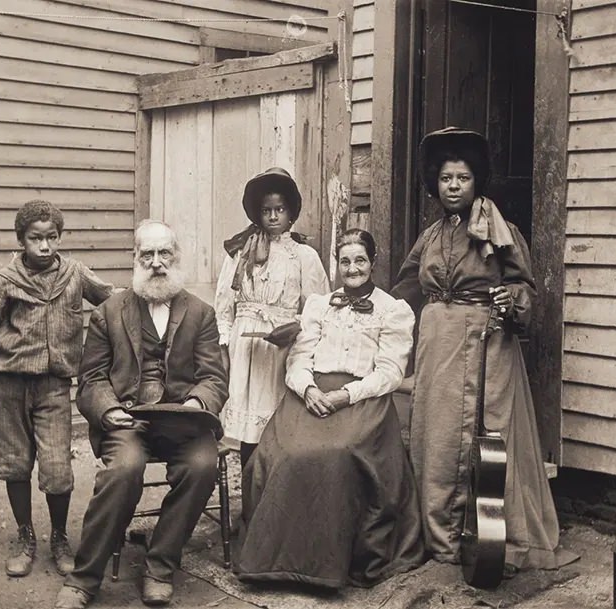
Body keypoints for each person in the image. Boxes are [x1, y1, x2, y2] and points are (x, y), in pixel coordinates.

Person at [391, 127, 573, 574]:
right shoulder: (430, 237)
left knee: (480, 435)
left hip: (485, 341)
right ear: (435, 183)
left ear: (477, 183)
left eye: (463, 178)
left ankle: (480, 535)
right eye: (446, 178)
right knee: (435, 435)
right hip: (437, 345)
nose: (454, 186)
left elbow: (524, 286)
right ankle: (437, 535)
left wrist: (512, 300)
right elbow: (406, 287)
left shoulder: (498, 230)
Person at [235, 228, 425, 589]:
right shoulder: (319, 305)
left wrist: (346, 395)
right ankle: (273, 562)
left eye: (359, 261)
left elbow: (389, 372)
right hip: (311, 392)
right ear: (336, 265)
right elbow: (299, 357)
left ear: (373, 262)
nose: (352, 269)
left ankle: (325, 567)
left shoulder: (393, 310)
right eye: (345, 261)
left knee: (339, 453)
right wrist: (307, 389)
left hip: (362, 399)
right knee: (288, 451)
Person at [54, 220, 228, 609]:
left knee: (202, 466)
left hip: (183, 422)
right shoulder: (109, 313)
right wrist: (110, 410)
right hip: (127, 421)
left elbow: (214, 377)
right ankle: (84, 579)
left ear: (176, 256)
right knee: (123, 470)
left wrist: (198, 403)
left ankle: (160, 566)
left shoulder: (201, 314)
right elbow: (92, 378)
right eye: (147, 254)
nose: (156, 263)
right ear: (135, 259)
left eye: (164, 253)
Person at [0, 200, 114, 577]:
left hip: (54, 385)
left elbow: (114, 302)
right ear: (22, 239)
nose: (45, 246)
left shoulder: (74, 274)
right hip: (9, 384)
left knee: (57, 467)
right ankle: (25, 535)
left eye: (52, 237)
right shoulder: (5, 280)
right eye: (36, 238)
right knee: (15, 461)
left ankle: (58, 537)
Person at [214, 167, 328, 468]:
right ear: (258, 214)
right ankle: (251, 491)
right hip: (246, 348)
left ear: (291, 213)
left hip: (281, 348)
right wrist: (225, 340)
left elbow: (317, 308)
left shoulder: (304, 256)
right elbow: (225, 302)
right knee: (248, 430)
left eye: (280, 209)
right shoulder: (241, 251)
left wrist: (293, 329)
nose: (274, 216)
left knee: (276, 424)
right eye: (267, 210)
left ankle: (273, 493)